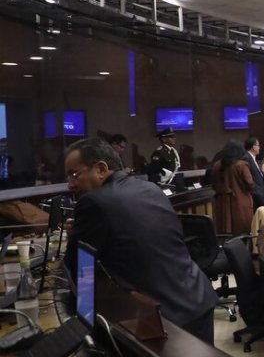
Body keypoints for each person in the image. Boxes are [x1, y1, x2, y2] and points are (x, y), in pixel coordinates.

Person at [65, 138, 217, 343]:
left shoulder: (93, 202)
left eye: (74, 175)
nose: (70, 184)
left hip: (161, 319)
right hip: (197, 297)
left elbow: (79, 269)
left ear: (101, 169)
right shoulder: (150, 188)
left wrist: (83, 326)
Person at [211, 140, 254, 235]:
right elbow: (250, 183)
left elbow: (213, 185)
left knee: (223, 233)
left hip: (221, 204)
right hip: (240, 203)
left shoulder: (216, 165)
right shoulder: (241, 165)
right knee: (243, 232)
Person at [243, 137, 264, 208]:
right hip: (255, 194)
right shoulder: (246, 158)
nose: (259, 148)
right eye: (258, 145)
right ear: (253, 147)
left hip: (259, 192)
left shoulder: (252, 158)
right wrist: (257, 192)